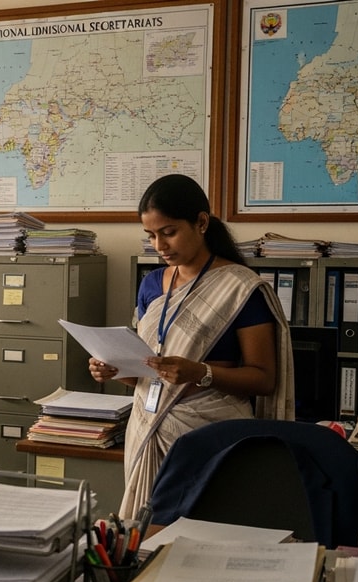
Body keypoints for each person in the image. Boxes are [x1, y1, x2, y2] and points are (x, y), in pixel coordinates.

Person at [88, 174, 294, 518]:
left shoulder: (241, 289)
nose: (159, 245)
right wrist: (113, 368)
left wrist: (202, 373)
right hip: (147, 429)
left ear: (201, 222)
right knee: (147, 543)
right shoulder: (151, 285)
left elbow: (265, 379)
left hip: (210, 436)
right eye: (151, 236)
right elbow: (147, 374)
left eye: (168, 232)